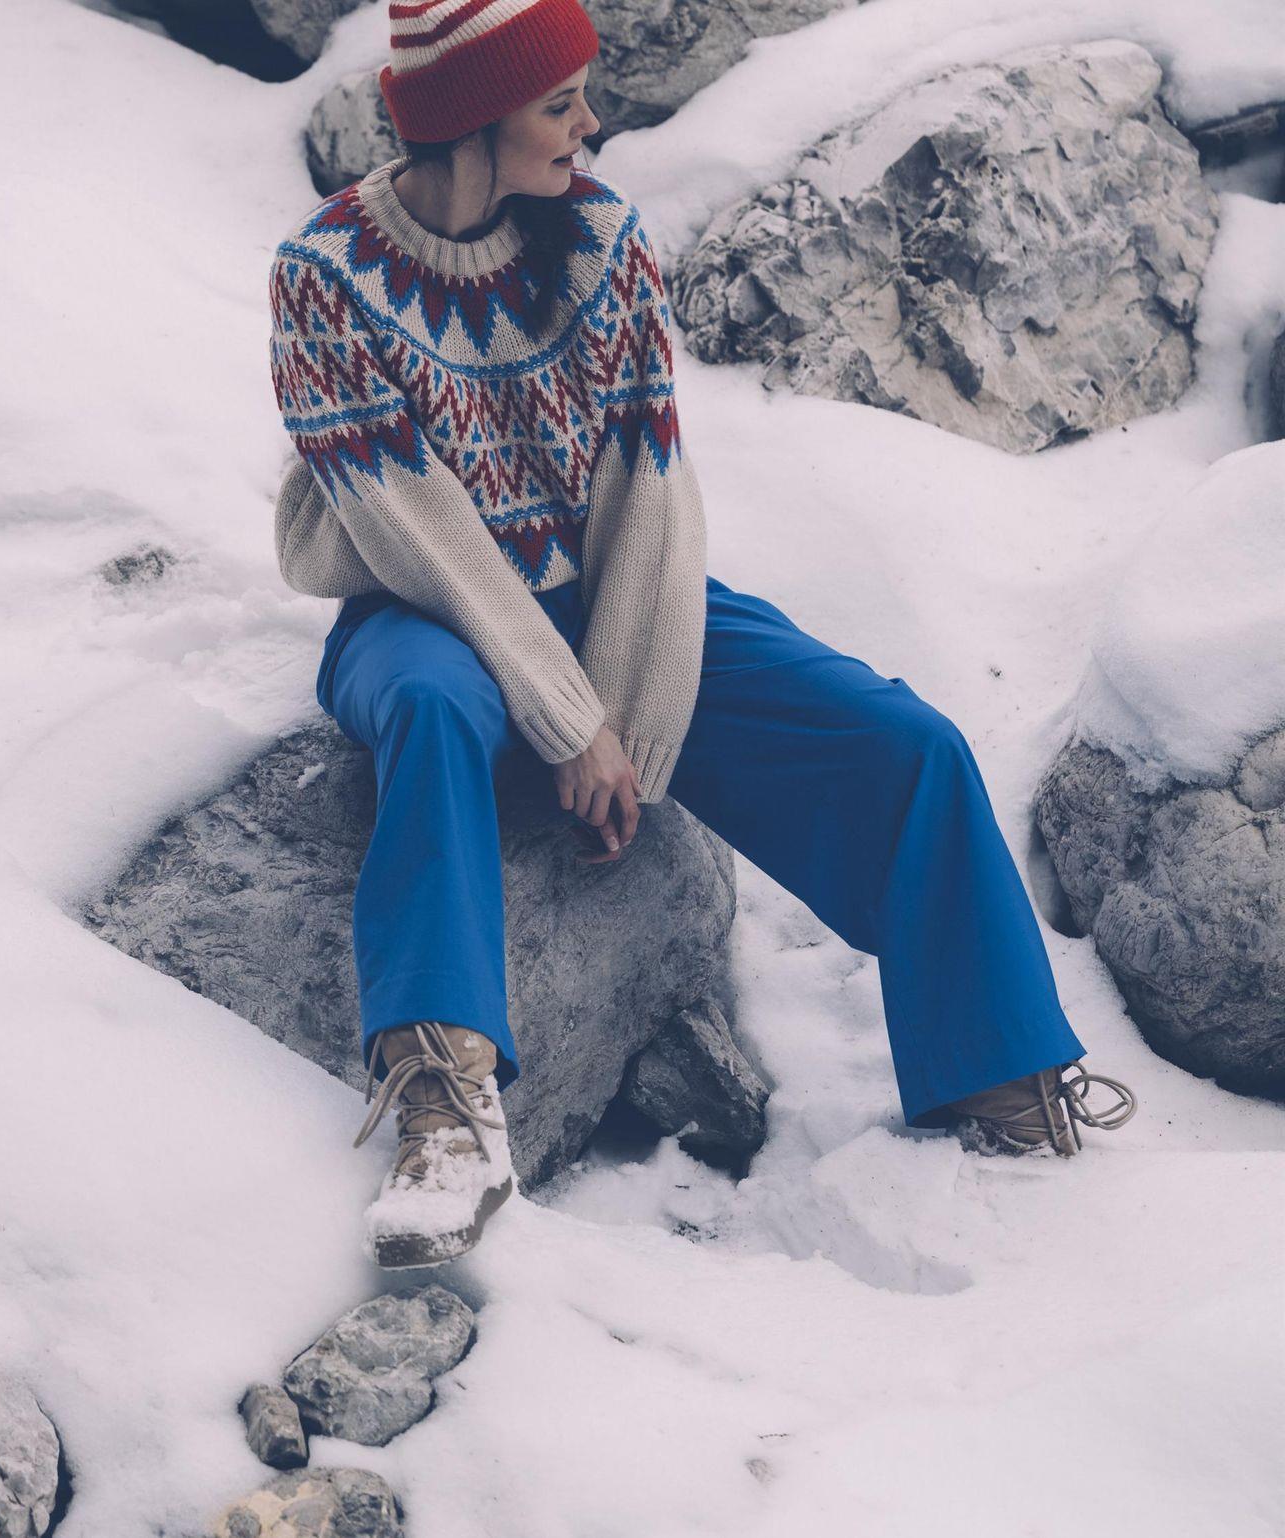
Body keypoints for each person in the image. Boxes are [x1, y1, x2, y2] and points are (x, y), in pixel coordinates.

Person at [265, 0, 1137, 1270]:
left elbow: (649, 494)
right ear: (470, 117)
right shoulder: (323, 275)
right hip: (418, 607)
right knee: (436, 708)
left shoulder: (598, 241)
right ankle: (445, 1108)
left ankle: (997, 1075)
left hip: (603, 592)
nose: (590, 122)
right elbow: (416, 527)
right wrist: (568, 721)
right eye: (558, 101)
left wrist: (624, 722)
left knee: (902, 741)